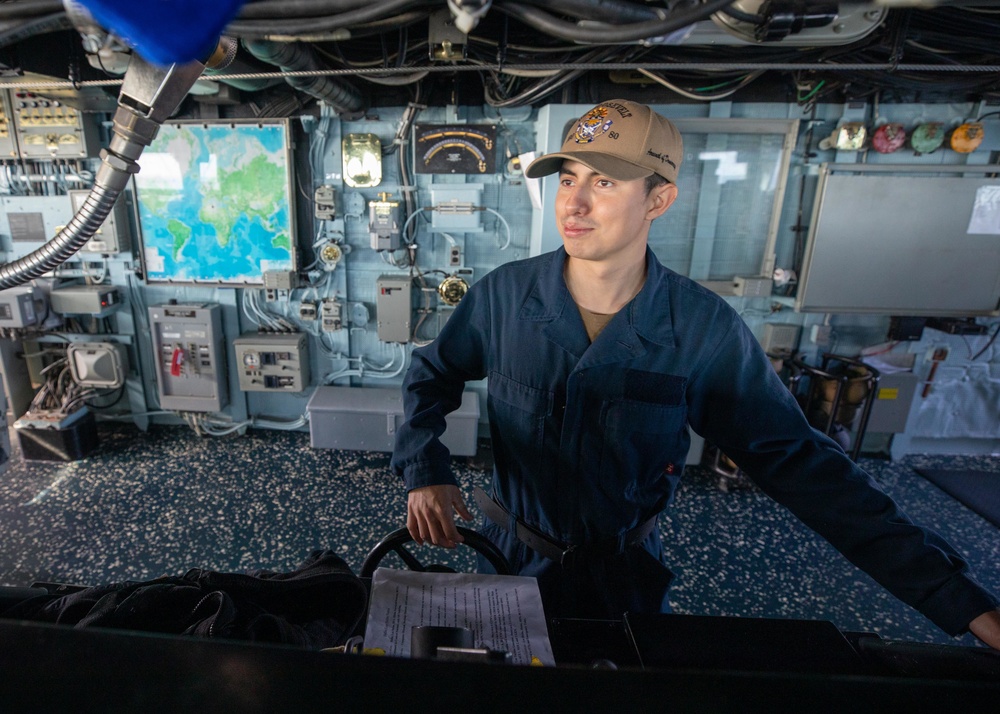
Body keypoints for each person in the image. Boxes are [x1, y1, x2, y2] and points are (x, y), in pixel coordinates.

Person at [390, 99, 1000, 648]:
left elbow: (804, 466)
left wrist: (960, 601)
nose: (573, 203)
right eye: (568, 179)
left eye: (603, 181)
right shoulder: (504, 297)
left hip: (622, 576)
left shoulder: (703, 330)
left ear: (659, 200)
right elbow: (431, 375)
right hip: (508, 559)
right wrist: (425, 468)